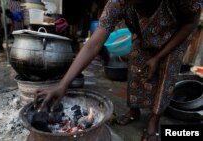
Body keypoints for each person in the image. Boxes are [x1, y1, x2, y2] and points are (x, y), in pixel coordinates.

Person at [34, 0, 202, 141]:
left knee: (166, 74)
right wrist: (63, 84)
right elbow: (94, 43)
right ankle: (134, 110)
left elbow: (190, 22)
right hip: (143, 33)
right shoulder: (118, 3)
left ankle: (154, 118)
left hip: (176, 34)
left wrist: (158, 57)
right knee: (136, 67)